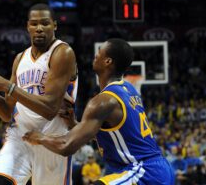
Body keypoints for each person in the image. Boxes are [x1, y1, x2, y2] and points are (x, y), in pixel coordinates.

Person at [23, 39, 175, 184]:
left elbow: (66, 146)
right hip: (158, 168)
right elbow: (116, 135)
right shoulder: (129, 89)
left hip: (144, 172)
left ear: (108, 61)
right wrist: (75, 124)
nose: (96, 55)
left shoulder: (103, 101)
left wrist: (40, 138)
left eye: (100, 52)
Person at [0, 3, 77, 185]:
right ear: (27, 26)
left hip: (52, 140)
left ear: (55, 25)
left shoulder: (62, 53)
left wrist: (5, 85)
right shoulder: (20, 59)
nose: (39, 28)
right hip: (20, 138)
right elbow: (6, 112)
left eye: (45, 23)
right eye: (34, 24)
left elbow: (50, 109)